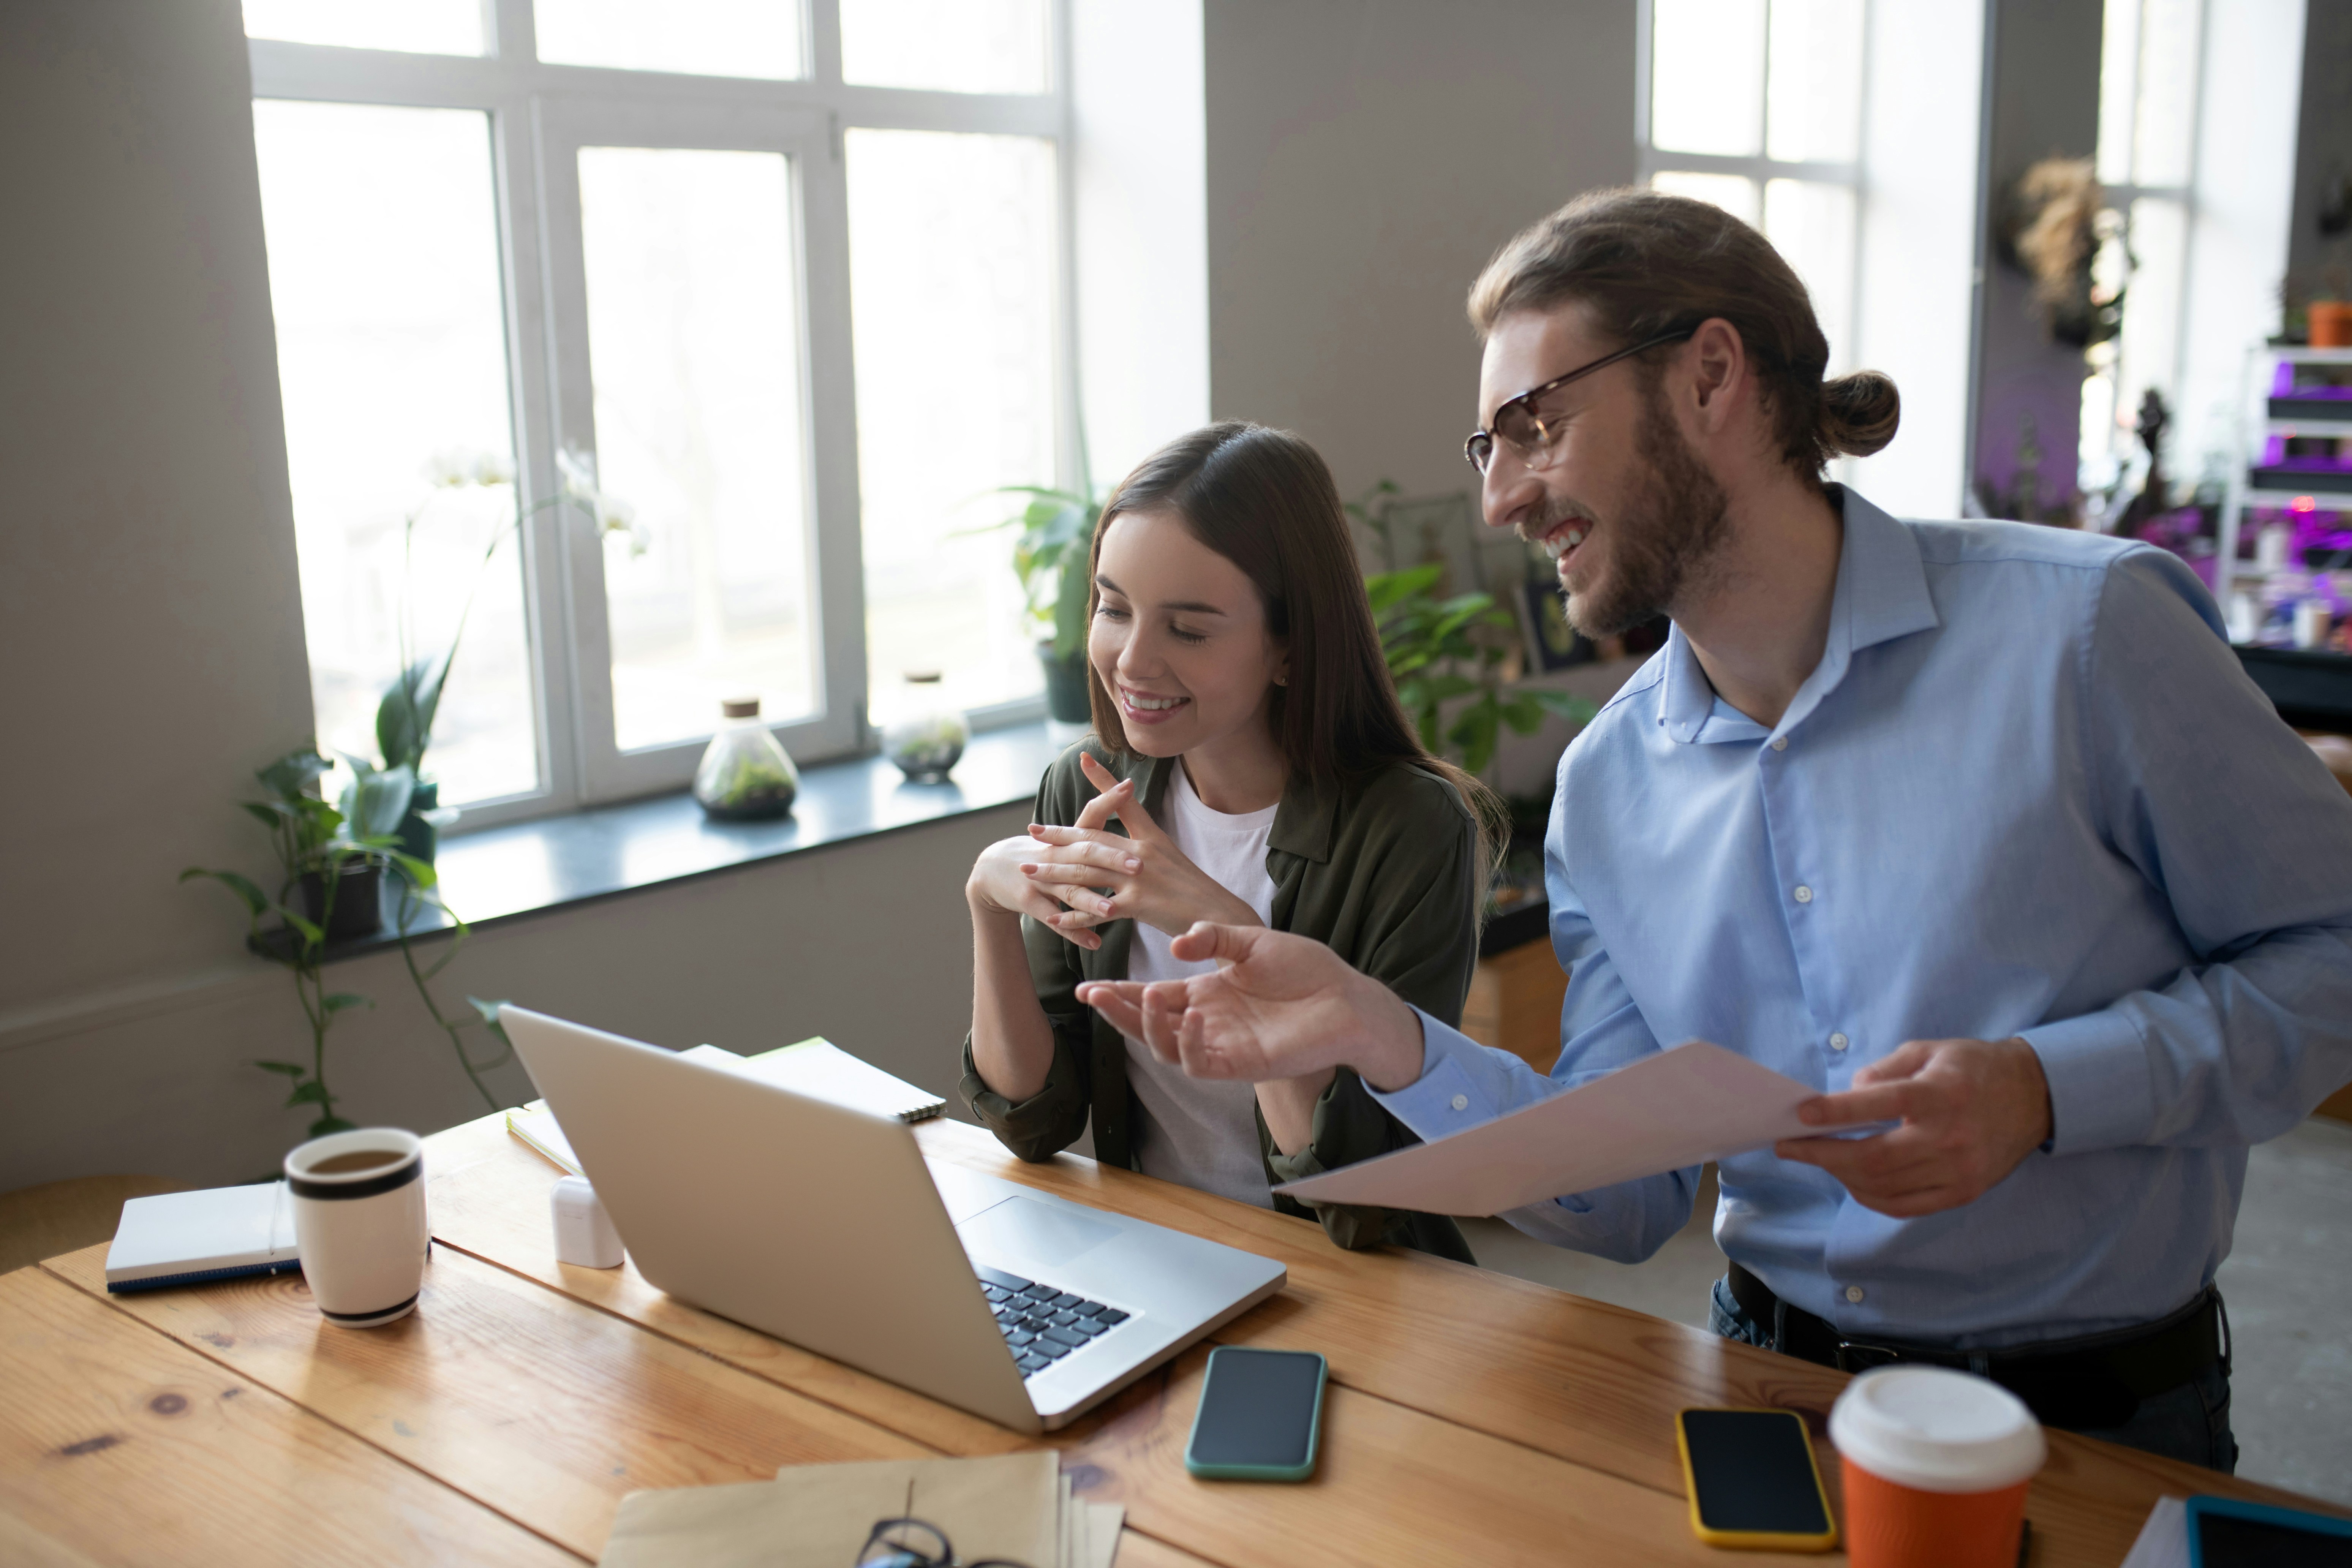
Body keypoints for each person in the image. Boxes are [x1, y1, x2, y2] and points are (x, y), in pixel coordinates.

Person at [1073, 189, 2352, 1469]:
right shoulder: (1607, 786)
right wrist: (1379, 1030)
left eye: (1535, 425)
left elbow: (2331, 953)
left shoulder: (2089, 633)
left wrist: (2043, 1090)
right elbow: (1622, 1197)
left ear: (1712, 375)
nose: (1501, 499)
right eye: (1488, 448)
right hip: (1758, 1397)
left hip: (2096, 1418)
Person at [959, 421, 1496, 1260]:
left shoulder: (1410, 830)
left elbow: (1361, 1204)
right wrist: (986, 905)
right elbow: (1037, 1121)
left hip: (1354, 1286)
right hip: (1160, 1257)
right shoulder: (1089, 787)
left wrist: (1232, 936)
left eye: (1190, 630)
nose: (1132, 662)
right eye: (1112, 608)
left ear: (1288, 646)